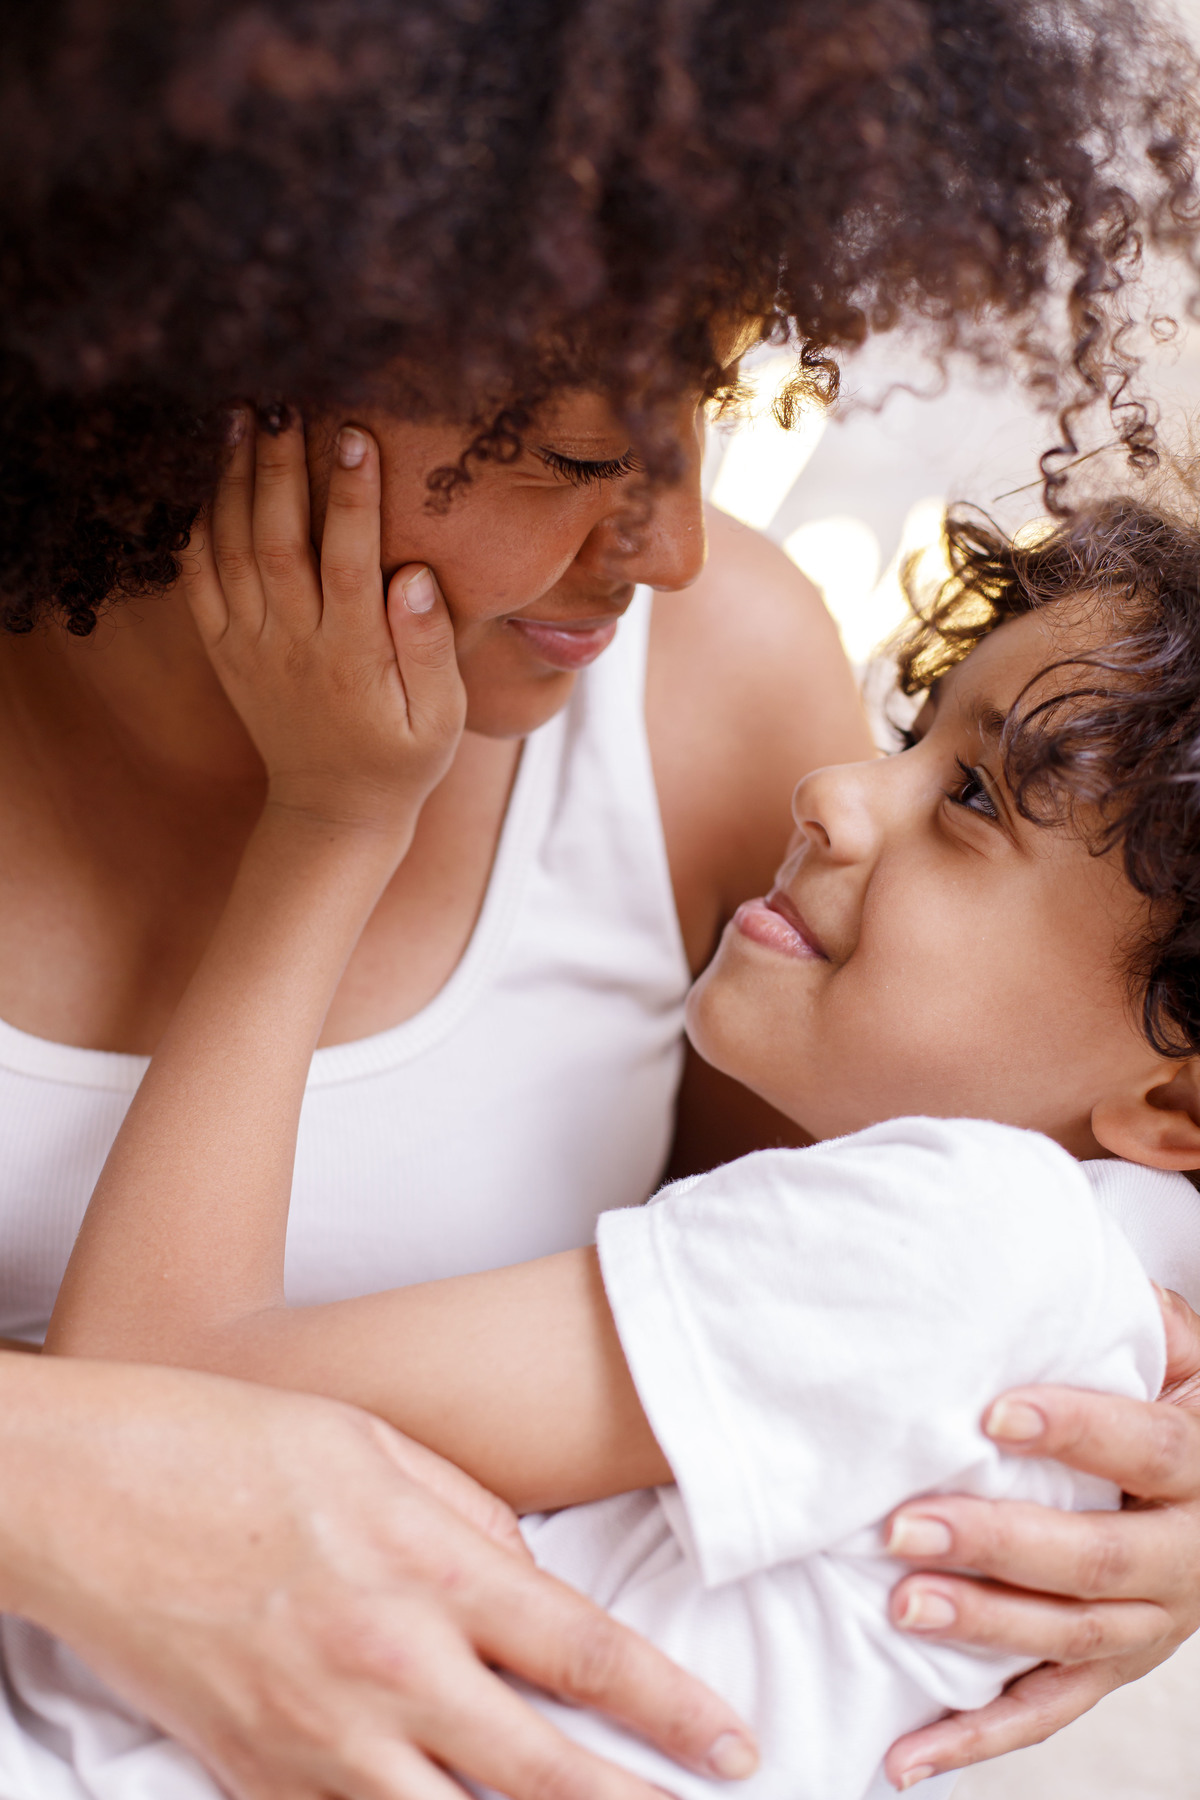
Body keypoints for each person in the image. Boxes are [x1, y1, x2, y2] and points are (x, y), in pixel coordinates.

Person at [3, 3, 1200, 1795]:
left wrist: (1134, 1479)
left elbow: (931, 1193)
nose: (673, 543)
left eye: (707, 404)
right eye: (575, 456)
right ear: (226, 350)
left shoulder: (718, 708)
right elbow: (158, 1411)